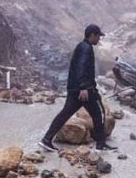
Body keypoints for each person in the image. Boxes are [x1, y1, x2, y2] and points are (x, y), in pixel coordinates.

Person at [39, 24, 115, 152]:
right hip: (82, 91)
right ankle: (101, 145)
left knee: (65, 114)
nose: (99, 39)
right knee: (98, 114)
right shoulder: (86, 48)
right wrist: (84, 87)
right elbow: (81, 68)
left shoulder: (83, 46)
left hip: (75, 89)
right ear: (92, 35)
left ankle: (46, 139)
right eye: (98, 36)